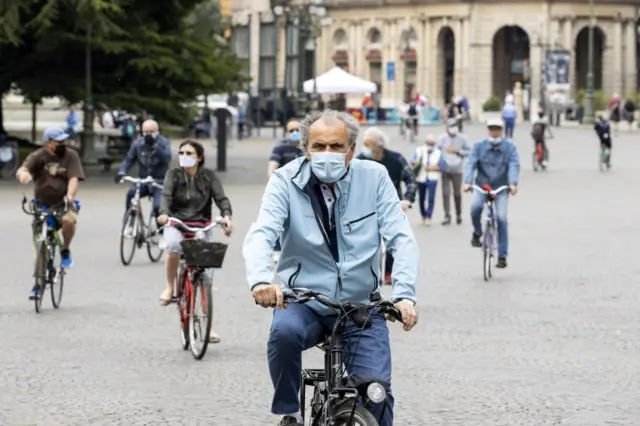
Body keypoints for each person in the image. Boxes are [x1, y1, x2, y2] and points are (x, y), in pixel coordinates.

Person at [243, 110, 419, 426]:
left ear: (352, 148)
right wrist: (260, 281)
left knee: (376, 392)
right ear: (305, 148)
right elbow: (262, 232)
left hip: (361, 305)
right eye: (319, 146)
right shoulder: (285, 180)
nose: (327, 154)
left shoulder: (375, 177)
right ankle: (289, 411)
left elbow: (401, 238)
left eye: (336, 146)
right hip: (303, 301)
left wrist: (405, 295)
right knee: (283, 333)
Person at [157, 140, 233, 343]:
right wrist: (164, 214)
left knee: (206, 275)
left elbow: (221, 199)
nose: (184, 155)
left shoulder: (209, 176)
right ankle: (169, 287)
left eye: (189, 152)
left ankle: (209, 326)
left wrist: (226, 217)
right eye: (181, 152)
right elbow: (165, 197)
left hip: (201, 224)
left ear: (199, 157)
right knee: (173, 245)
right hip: (176, 222)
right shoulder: (173, 174)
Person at [16, 127, 85, 299]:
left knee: (69, 221)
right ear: (48, 143)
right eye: (58, 141)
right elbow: (23, 169)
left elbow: (74, 179)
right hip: (41, 205)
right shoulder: (38, 156)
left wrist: (70, 196)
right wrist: (23, 175)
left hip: (62, 203)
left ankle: (65, 250)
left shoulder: (71, 156)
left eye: (63, 140)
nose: (63, 143)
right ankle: (38, 285)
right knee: (40, 247)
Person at [359, 127, 416, 285]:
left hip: (393, 205)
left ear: (378, 144)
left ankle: (390, 271)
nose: (364, 146)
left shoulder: (396, 159)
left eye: (367, 143)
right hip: (366, 207)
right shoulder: (360, 160)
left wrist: (408, 199)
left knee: (395, 239)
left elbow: (410, 179)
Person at [463, 119, 520, 269]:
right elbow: (471, 164)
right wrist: (467, 181)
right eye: (492, 129)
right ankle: (477, 232)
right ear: (488, 130)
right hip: (482, 185)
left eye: (497, 129)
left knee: (501, 218)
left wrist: (513, 183)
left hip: (501, 187)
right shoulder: (478, 146)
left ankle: (502, 255)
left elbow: (514, 164)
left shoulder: (510, 147)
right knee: (475, 208)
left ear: (501, 131)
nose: (495, 132)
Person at [115, 120, 172, 234]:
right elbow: (129, 159)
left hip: (159, 182)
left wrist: (155, 147)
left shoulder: (164, 142)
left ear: (157, 131)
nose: (148, 135)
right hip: (143, 181)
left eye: (151, 132)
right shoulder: (138, 144)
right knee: (131, 194)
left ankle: (161, 233)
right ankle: (130, 221)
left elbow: (167, 158)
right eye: (145, 132)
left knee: (158, 207)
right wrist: (122, 171)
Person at [268, 120, 304, 259]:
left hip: (303, 190)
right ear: (286, 132)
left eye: (297, 129)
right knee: (281, 218)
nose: (294, 133)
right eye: (291, 130)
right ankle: (277, 249)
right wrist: (275, 186)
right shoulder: (281, 146)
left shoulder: (306, 147)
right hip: (285, 189)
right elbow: (272, 167)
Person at [437, 118, 471, 225]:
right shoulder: (442, 138)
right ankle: (447, 215)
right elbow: (437, 151)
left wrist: (458, 151)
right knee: (446, 193)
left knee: (457, 194)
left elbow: (469, 151)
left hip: (457, 169)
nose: (453, 129)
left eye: (454, 126)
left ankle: (458, 214)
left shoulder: (463, 138)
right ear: (447, 128)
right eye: (451, 126)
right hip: (445, 169)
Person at [411, 134, 441, 226]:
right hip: (421, 177)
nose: (430, 145)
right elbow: (412, 161)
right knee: (421, 198)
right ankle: (423, 214)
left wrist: (431, 168)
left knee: (431, 198)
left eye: (432, 143)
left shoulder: (438, 152)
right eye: (429, 143)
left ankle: (429, 216)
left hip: (432, 178)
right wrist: (415, 163)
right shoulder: (419, 150)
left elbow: (441, 166)